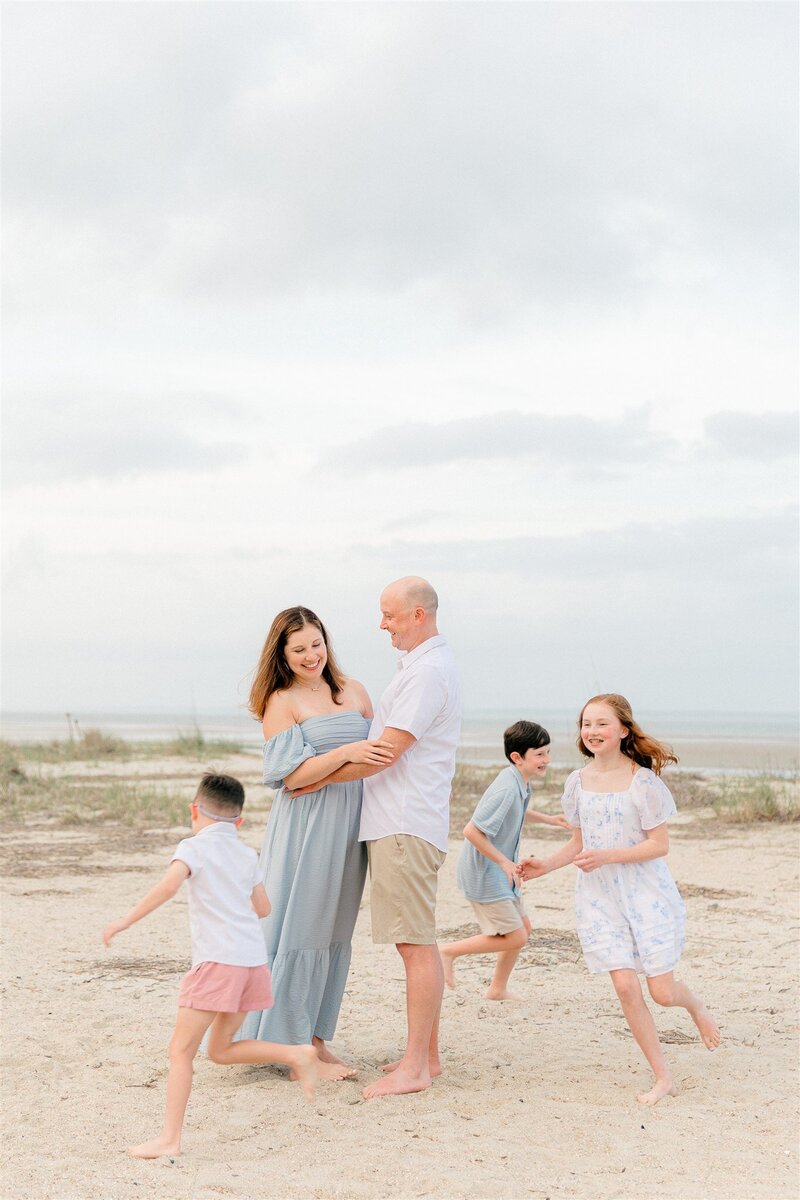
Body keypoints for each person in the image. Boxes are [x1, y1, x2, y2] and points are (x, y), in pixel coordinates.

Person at [291, 577, 461, 1099]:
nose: (381, 624)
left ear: (416, 614)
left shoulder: (428, 672)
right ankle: (424, 1055)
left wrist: (314, 779)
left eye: (388, 614)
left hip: (403, 823)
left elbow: (386, 751)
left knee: (414, 945)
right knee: (418, 941)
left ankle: (415, 1067)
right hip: (401, 822)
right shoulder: (421, 667)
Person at [102, 773, 320, 1160]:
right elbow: (264, 909)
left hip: (218, 964)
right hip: (252, 965)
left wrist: (123, 921)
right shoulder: (246, 854)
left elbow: (169, 886)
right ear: (239, 821)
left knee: (180, 1051)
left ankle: (170, 1139)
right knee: (219, 1050)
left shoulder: (194, 847)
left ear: (194, 811)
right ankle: (296, 1053)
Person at [520, 694, 720, 1106]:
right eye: (586, 724)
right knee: (627, 987)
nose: (591, 732)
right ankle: (664, 1077)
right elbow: (579, 842)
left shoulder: (643, 782)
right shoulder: (577, 781)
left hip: (645, 892)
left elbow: (659, 845)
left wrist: (608, 855)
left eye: (601, 724)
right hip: (599, 898)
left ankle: (695, 1006)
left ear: (624, 730)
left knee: (662, 993)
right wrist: (547, 866)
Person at [237, 606, 393, 1080]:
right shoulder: (281, 702)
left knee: (333, 933)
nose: (311, 656)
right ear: (282, 654)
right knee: (299, 926)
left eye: (316, 644)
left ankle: (317, 1040)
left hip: (352, 824)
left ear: (327, 641)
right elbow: (290, 776)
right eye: (299, 648)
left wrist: (329, 771)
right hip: (304, 827)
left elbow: (383, 755)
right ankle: (292, 1047)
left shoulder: (356, 692)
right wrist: (345, 753)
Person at [439, 720, 570, 1001]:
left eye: (547, 752)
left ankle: (497, 989)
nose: (546, 760)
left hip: (501, 872)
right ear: (517, 757)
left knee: (523, 929)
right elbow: (471, 831)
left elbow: (518, 810)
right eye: (540, 754)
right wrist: (503, 863)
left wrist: (550, 820)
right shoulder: (506, 788)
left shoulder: (517, 781)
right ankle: (448, 951)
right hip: (486, 873)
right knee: (516, 936)